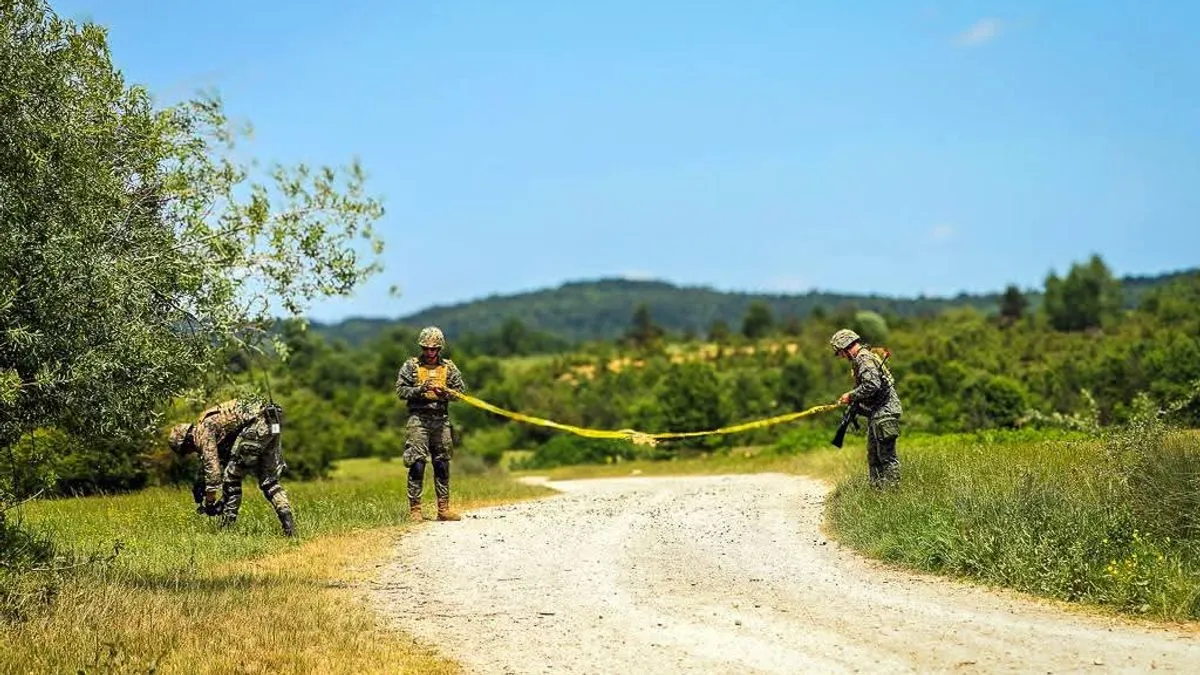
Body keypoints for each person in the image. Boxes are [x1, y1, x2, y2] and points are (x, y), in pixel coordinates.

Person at [167, 396, 295, 536]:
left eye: (186, 451)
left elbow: (213, 471)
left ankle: (227, 528)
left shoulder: (203, 430)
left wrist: (210, 503)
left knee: (231, 478)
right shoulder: (211, 423)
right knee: (269, 481)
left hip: (257, 424)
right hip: (272, 421)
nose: (190, 453)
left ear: (186, 441)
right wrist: (200, 483)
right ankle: (289, 528)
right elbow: (221, 458)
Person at [394, 326, 467, 522]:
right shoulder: (411, 366)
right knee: (417, 462)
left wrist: (447, 393)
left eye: (433, 349)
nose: (429, 352)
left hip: (441, 420)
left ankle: (443, 508)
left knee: (442, 462)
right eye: (426, 348)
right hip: (418, 419)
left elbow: (461, 392)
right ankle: (415, 510)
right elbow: (401, 390)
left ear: (440, 348)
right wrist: (420, 389)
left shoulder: (448, 367)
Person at [830, 328, 902, 487]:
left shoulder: (863, 359)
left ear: (846, 346)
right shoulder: (862, 358)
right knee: (874, 456)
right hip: (879, 412)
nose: (841, 356)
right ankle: (877, 493)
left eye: (840, 352)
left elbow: (872, 385)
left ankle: (892, 494)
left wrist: (851, 395)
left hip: (885, 411)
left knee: (886, 457)